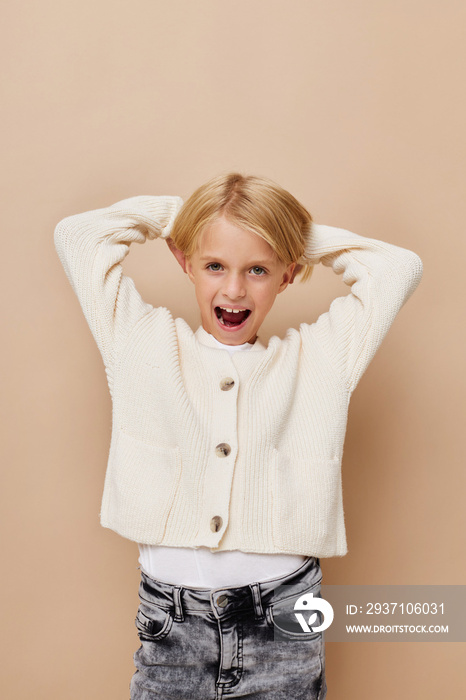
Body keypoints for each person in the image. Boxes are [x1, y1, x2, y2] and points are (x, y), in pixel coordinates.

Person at [54, 172, 423, 699]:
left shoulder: (317, 360)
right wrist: (190, 218)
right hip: (171, 627)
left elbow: (397, 268)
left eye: (257, 269)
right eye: (214, 265)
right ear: (185, 262)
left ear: (288, 275)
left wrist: (286, 231)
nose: (233, 289)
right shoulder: (141, 342)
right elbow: (78, 236)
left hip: (286, 625)